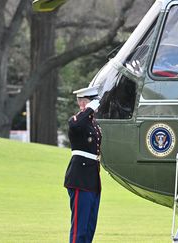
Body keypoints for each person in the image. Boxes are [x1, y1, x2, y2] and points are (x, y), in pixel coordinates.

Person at [64, 85, 102, 243]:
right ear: (83, 103)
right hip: (80, 178)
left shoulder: (93, 124)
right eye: (93, 103)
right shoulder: (77, 121)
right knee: (79, 229)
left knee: (89, 227)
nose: (96, 106)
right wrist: (87, 110)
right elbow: (74, 125)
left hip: (92, 178)